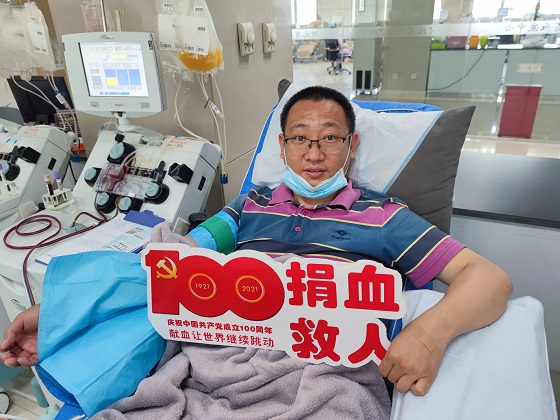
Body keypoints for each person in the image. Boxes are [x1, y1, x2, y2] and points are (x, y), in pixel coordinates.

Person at [1, 86, 512, 412]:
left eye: (330, 138)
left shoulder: (384, 217)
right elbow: (169, 266)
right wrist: (61, 318)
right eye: (300, 139)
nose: (314, 154)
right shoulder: (250, 206)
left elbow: (488, 279)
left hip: (320, 372)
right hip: (219, 361)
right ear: (282, 147)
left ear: (351, 147)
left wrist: (428, 335)